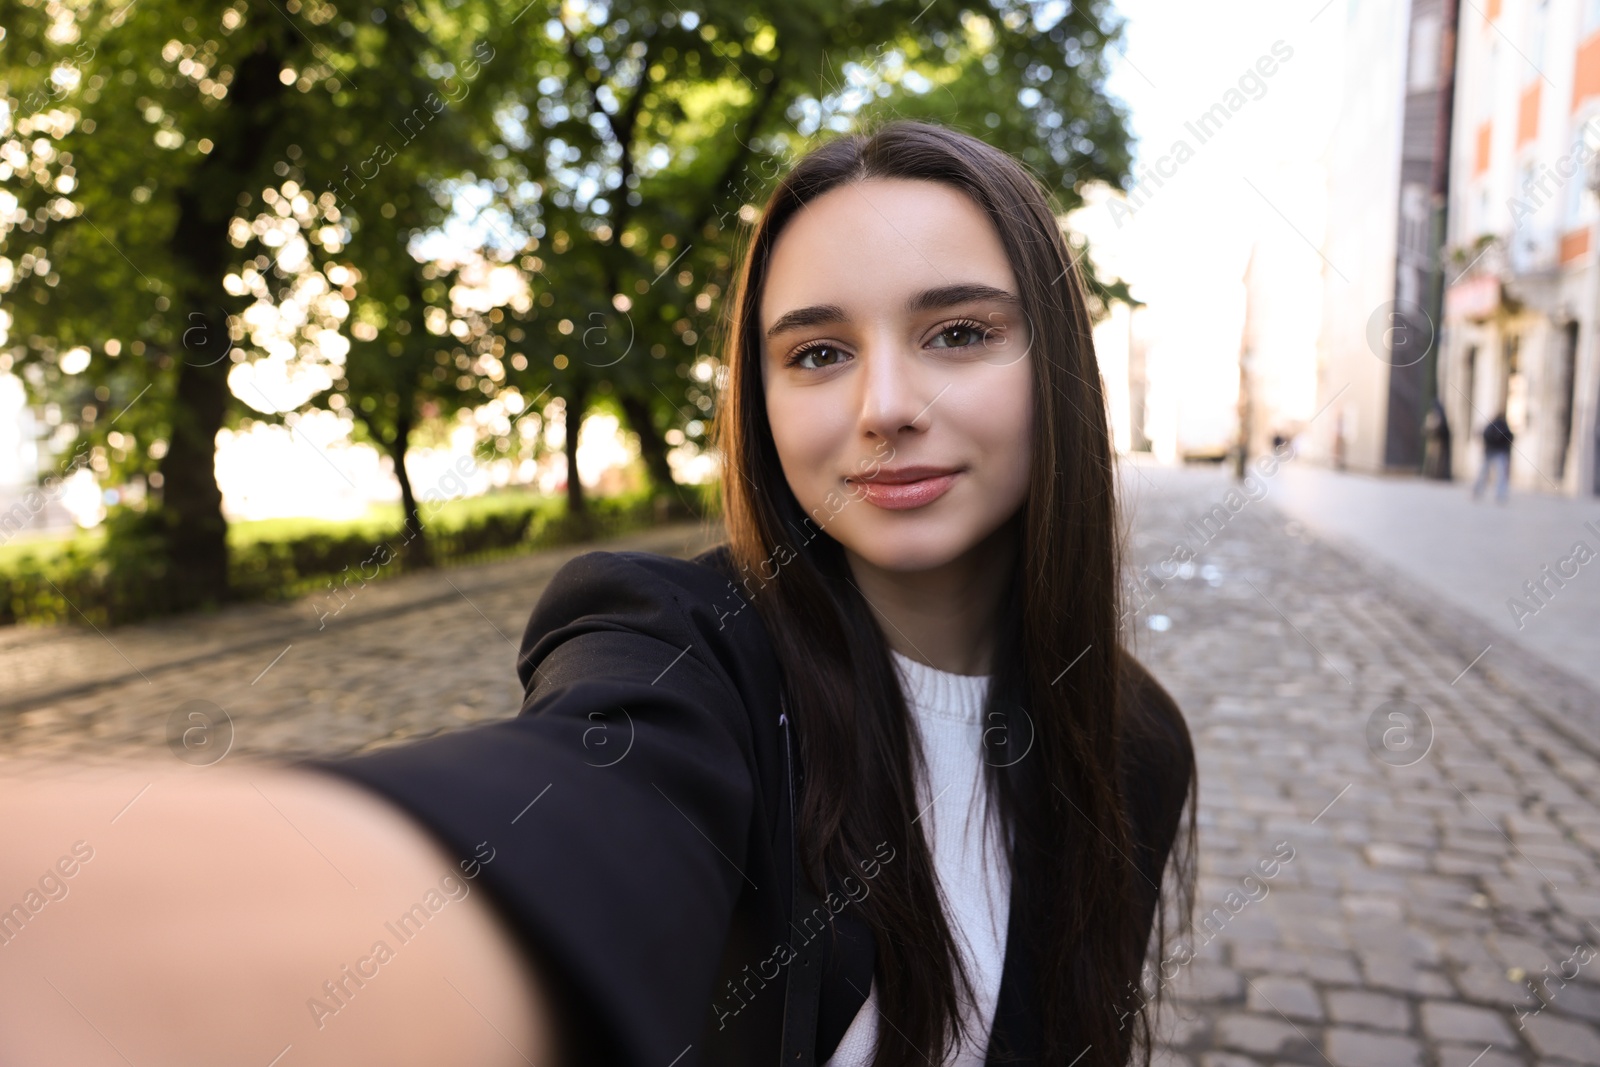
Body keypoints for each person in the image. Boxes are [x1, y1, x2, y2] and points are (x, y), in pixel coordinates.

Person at [0, 120, 1196, 1067]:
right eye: (817, 352)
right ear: (760, 397)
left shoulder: (1135, 743)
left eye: (956, 332)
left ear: (1057, 365)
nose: (882, 403)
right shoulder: (680, 647)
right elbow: (570, 819)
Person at [1473, 411, 1514, 503]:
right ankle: (1496, 493)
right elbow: (1510, 438)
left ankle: (1496, 493)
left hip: (1495, 451)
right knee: (1491, 472)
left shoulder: (1495, 426)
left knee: (1494, 473)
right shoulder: (1499, 426)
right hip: (1494, 451)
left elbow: (1509, 438)